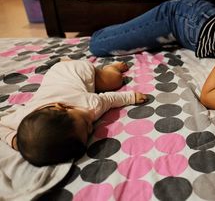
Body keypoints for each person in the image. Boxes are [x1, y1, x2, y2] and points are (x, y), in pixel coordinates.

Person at [0, 60, 147, 167]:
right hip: (56, 71)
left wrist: (130, 97)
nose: (91, 127)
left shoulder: (88, 106)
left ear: (63, 107)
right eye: (88, 133)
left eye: (86, 123)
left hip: (79, 71)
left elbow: (108, 99)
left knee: (116, 81)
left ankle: (110, 67)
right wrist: (16, 139)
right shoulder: (23, 118)